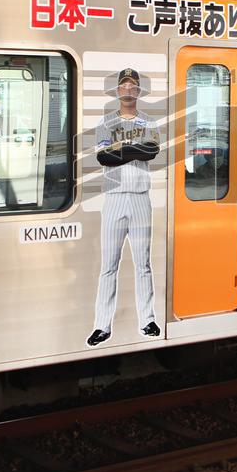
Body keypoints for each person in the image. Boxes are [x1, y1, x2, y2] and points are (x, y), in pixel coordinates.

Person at [88, 69, 161, 347]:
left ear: (139, 91)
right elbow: (104, 158)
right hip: (115, 198)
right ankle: (101, 325)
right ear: (118, 91)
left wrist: (123, 149)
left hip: (141, 197)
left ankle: (147, 320)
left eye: (133, 85)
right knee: (109, 265)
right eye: (124, 85)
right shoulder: (106, 122)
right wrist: (134, 148)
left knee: (142, 264)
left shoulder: (149, 121)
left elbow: (152, 152)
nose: (128, 89)